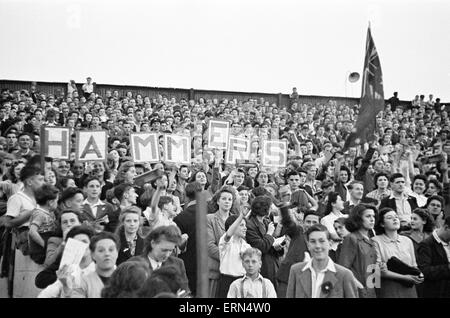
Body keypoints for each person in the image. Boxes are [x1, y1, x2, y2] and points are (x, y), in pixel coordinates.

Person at [286, 224, 358, 298]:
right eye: (313, 241)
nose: (317, 246)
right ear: (308, 245)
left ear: (330, 244)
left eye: (322, 241)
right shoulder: (296, 270)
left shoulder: (344, 275)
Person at [372, 208, 423, 298]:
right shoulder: (375, 241)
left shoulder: (407, 240)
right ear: (382, 224)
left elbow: (414, 266)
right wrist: (404, 277)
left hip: (409, 288)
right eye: (389, 217)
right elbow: (378, 270)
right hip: (389, 289)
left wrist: (419, 275)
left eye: (396, 217)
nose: (395, 219)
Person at [128, 225, 190, 293]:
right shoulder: (134, 263)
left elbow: (185, 291)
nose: (167, 255)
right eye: (164, 250)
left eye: (170, 250)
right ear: (153, 243)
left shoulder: (178, 264)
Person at [37, 225, 95, 297]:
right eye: (76, 243)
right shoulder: (70, 270)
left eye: (84, 242)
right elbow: (46, 293)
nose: (81, 245)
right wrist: (65, 286)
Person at [61, 231, 119, 298]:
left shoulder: (127, 278)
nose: (107, 254)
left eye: (111, 250)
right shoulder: (82, 283)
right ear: (92, 254)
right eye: (101, 250)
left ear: (117, 253)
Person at [338, 204, 378, 298]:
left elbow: (372, 269)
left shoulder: (371, 240)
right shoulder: (351, 238)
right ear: (358, 219)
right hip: (356, 291)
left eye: (373, 216)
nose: (372, 219)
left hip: (371, 290)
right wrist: (360, 287)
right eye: (368, 216)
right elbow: (343, 269)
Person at [245, 195, 284, 289]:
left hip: (272, 263)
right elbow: (261, 247)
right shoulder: (249, 225)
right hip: (261, 266)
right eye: (270, 207)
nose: (271, 209)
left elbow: (270, 242)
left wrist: (278, 245)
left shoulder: (266, 221)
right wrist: (270, 233)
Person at [206, 188, 234, 297]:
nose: (227, 201)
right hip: (215, 270)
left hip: (233, 272)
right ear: (218, 201)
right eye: (224, 199)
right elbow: (209, 245)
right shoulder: (209, 219)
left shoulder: (236, 220)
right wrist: (228, 258)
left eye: (230, 199)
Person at [217, 211, 250, 298]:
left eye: (245, 225)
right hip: (227, 282)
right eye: (241, 225)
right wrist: (241, 216)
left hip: (242, 282)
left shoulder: (246, 245)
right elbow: (228, 235)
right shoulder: (225, 243)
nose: (245, 228)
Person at [417, 215, 450, 298]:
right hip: (436, 292)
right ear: (446, 228)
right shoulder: (426, 244)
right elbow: (424, 271)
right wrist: (448, 267)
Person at [28, 184, 59, 265]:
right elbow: (32, 232)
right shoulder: (40, 214)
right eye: (57, 201)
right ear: (51, 202)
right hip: (40, 251)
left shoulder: (50, 213)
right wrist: (45, 245)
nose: (57, 204)